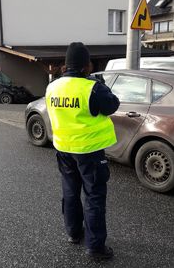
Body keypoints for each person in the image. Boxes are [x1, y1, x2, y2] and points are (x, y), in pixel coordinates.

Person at [45, 42, 120, 260]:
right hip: (89, 150)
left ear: (66, 65)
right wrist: (101, 86)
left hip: (63, 148)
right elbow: (112, 106)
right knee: (94, 197)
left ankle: (73, 233)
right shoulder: (92, 87)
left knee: (70, 192)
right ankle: (95, 248)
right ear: (86, 65)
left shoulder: (53, 87)